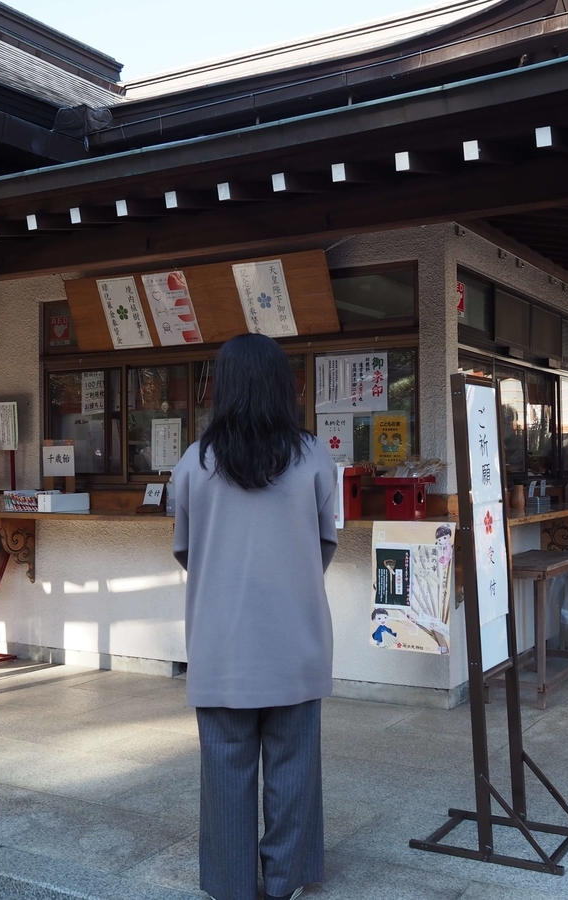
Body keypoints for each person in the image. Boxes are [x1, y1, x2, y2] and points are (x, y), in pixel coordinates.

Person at [170, 333, 338, 900]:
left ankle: (231, 881)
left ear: (223, 387)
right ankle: (286, 877)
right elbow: (323, 543)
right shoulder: (314, 456)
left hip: (221, 643)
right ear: (282, 386)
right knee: (294, 766)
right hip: (295, 639)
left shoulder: (194, 462)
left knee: (224, 767)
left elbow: (187, 552)